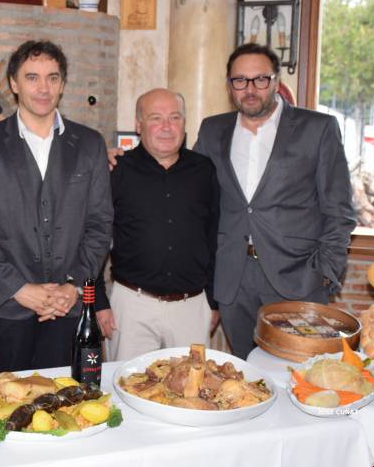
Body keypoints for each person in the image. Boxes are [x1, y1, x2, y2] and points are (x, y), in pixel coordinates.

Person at [192, 43, 355, 358]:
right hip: (233, 277)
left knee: (299, 374)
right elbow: (189, 183)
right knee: (247, 375)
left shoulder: (317, 129)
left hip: (297, 276)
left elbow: (339, 210)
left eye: (260, 79)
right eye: (240, 80)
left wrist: (324, 271)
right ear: (230, 85)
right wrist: (128, 160)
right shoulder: (213, 130)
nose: (250, 89)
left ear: (276, 81)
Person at [0, 40, 113, 373]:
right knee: (10, 399)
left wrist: (74, 286)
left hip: (67, 303)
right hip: (9, 303)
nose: (43, 88)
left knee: (64, 397)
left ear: (62, 84)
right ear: (14, 83)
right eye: (32, 77)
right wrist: (19, 288)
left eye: (52, 78)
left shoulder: (89, 144)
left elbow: (100, 223)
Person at [95, 89, 220, 362]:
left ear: (184, 124)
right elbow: (94, 239)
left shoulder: (204, 171)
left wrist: (213, 301)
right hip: (131, 307)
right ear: (138, 125)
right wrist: (99, 303)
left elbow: (214, 238)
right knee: (127, 389)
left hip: (192, 306)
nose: (166, 127)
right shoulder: (116, 170)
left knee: (192, 395)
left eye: (174, 117)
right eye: (156, 118)